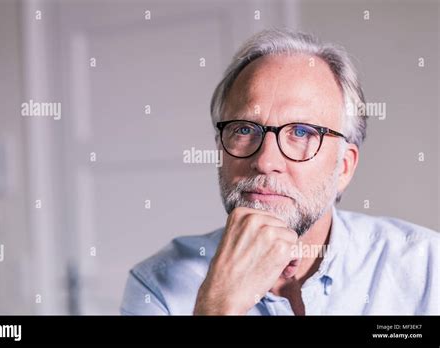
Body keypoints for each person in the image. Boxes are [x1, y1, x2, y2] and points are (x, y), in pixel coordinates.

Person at [120, 29, 439, 315]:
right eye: (245, 128)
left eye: (301, 132)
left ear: (344, 167)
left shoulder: (425, 267)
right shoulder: (158, 287)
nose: (265, 160)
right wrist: (218, 307)